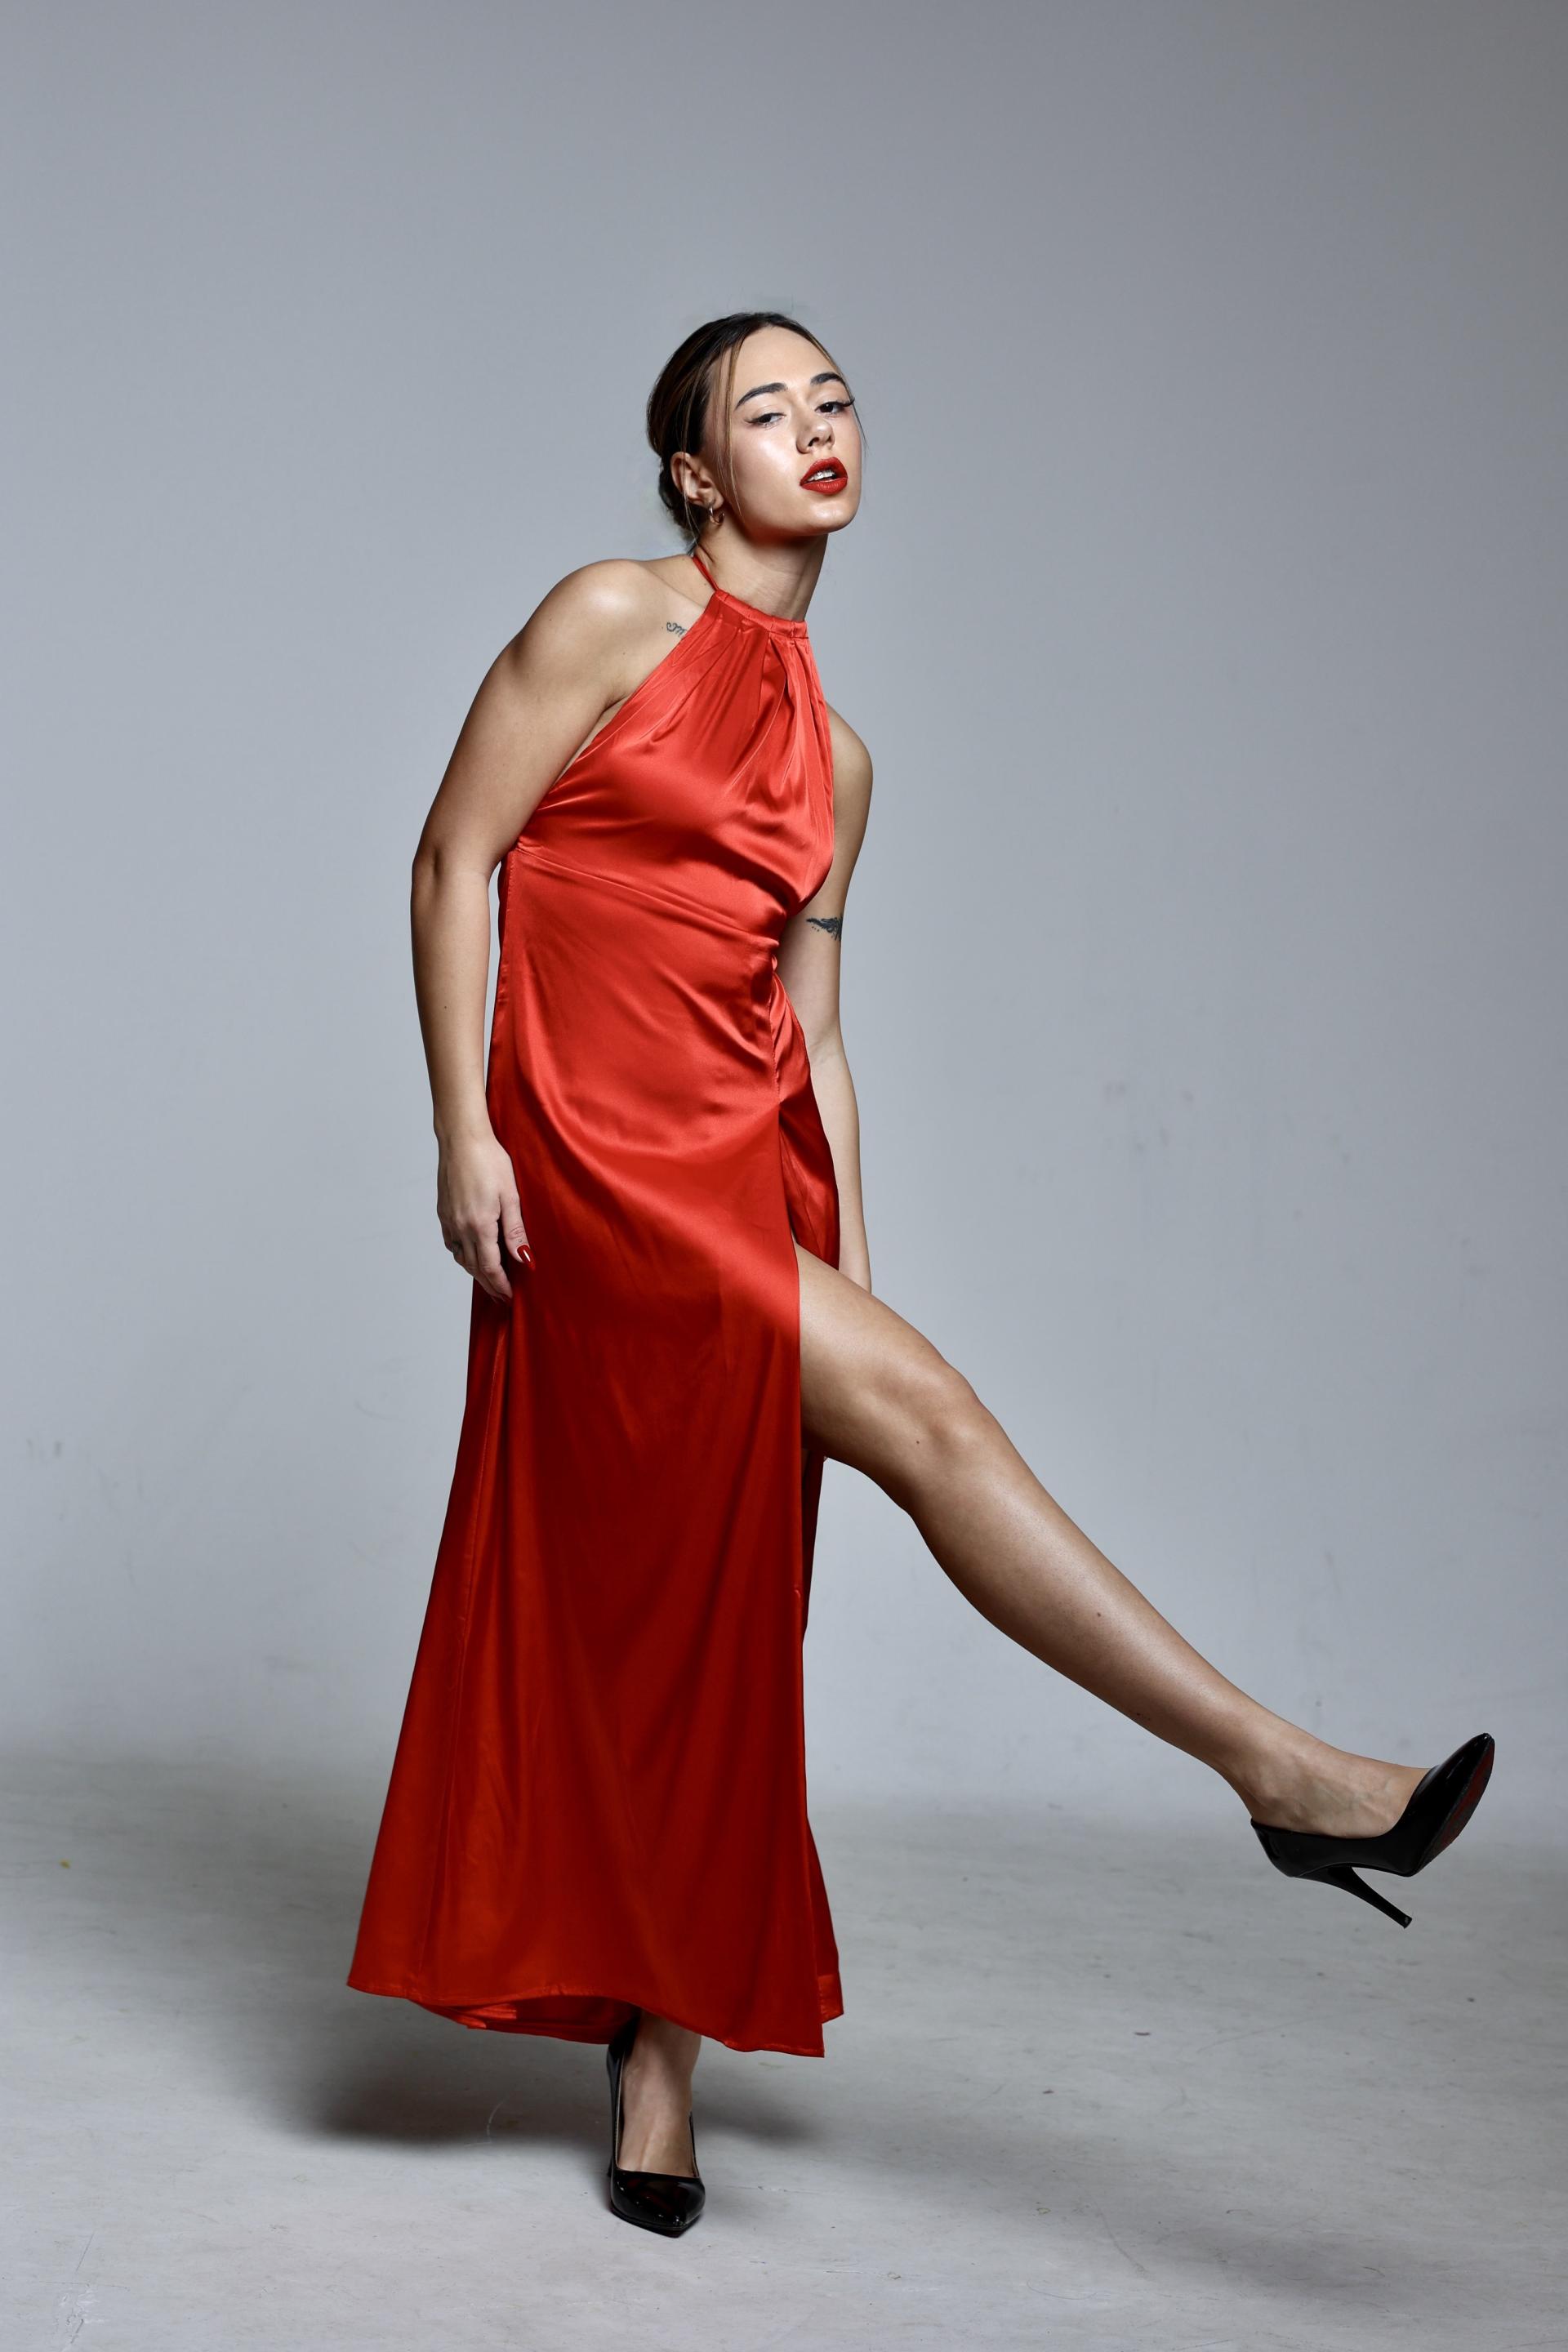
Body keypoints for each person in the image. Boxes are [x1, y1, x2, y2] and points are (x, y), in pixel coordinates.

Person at [346, 310, 1494, 2238]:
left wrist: (852, 1270)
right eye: (766, 409)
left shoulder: (844, 762)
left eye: (836, 399)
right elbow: (452, 857)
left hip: (745, 1179)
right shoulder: (608, 616)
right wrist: (462, 1128)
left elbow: (814, 1033)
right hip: (589, 1170)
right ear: (697, 470)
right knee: (902, 1454)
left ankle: (658, 2071)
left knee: (719, 1614)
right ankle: (1284, 1777)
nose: (817, 427)